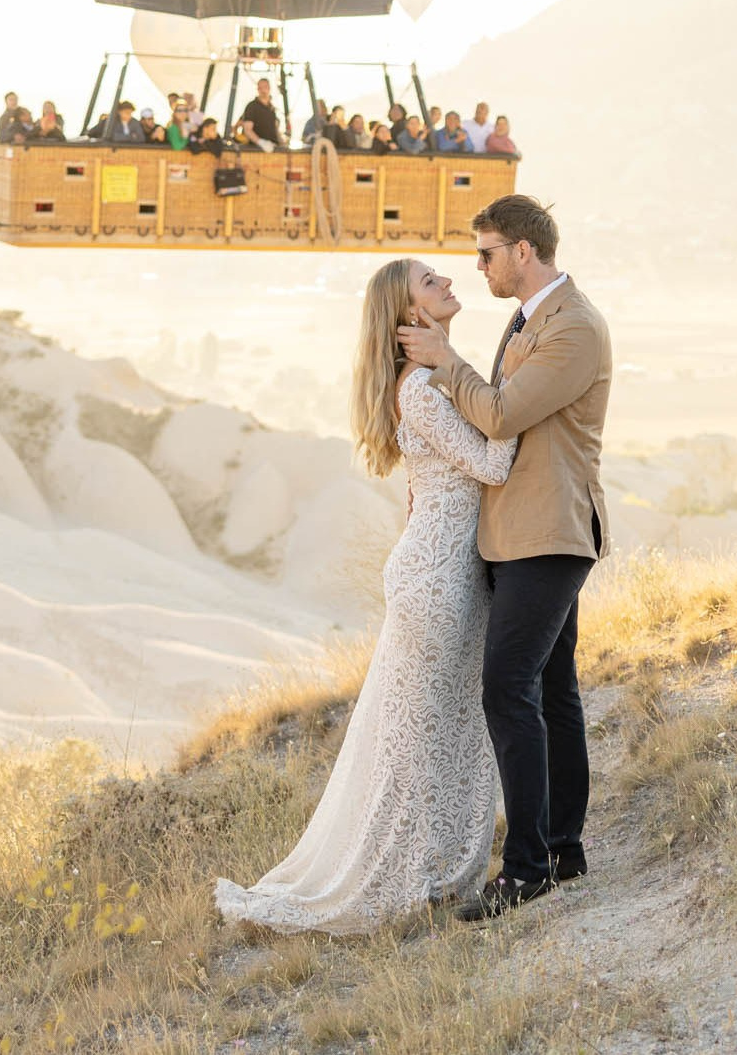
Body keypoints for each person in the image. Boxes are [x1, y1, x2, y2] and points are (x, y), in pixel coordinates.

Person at [215, 256, 515, 932]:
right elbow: (494, 462)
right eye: (430, 282)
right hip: (437, 576)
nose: (447, 282)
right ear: (411, 316)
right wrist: (520, 401)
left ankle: (435, 869)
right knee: (422, 732)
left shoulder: (435, 377)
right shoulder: (421, 391)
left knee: (450, 725)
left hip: (447, 568)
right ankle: (403, 878)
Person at [398, 195, 610, 919]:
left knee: (507, 687)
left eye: (485, 251)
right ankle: (562, 850)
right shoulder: (528, 319)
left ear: (523, 251)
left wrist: (445, 362)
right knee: (552, 691)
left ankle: (524, 869)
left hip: (548, 531)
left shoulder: (573, 327)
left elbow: (498, 414)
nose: (476, 265)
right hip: (516, 534)